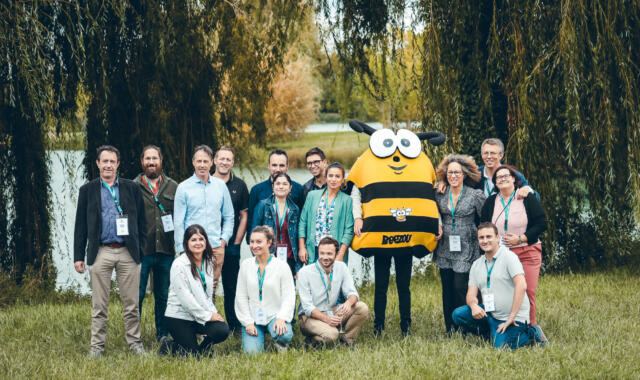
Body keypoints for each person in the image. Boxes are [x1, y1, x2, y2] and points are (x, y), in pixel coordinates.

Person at [73, 145, 146, 357]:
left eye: (112, 161)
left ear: (118, 164)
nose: (108, 165)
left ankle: (135, 344)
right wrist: (79, 256)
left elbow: (142, 221)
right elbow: (80, 226)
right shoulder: (87, 190)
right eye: (104, 161)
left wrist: (140, 250)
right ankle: (97, 347)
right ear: (97, 164)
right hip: (101, 251)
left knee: (131, 304)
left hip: (127, 252)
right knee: (99, 305)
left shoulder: (131, 188)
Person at [452, 222, 547, 349]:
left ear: (498, 238)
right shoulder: (477, 264)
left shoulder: (509, 257)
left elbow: (522, 285)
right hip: (490, 314)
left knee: (501, 348)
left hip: (513, 318)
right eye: (481, 238)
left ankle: (531, 334)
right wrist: (474, 306)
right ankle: (491, 334)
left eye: (489, 236)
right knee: (458, 314)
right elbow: (471, 294)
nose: (485, 241)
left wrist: (511, 317)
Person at [480, 165, 547, 328]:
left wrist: (521, 238)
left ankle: (530, 328)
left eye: (506, 176)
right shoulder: (490, 202)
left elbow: (541, 223)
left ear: (514, 179)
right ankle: (504, 325)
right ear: (495, 183)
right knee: (503, 292)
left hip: (526, 251)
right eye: (498, 177)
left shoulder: (526, 197)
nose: (502, 179)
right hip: (501, 255)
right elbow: (484, 225)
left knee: (526, 291)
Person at [433, 154, 486, 333]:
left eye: (457, 172)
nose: (453, 176)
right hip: (445, 247)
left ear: (464, 174)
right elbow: (431, 211)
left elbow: (484, 220)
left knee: (460, 287)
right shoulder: (440, 193)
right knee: (447, 289)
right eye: (450, 172)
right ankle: (450, 328)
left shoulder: (475, 195)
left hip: (467, 246)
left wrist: (484, 246)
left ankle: (466, 326)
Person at [174, 145, 234, 298]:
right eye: (198, 161)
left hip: (215, 246)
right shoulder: (183, 188)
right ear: (193, 162)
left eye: (205, 161)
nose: (202, 165)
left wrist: (224, 240)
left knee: (211, 288)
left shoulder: (220, 187)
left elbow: (229, 216)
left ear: (211, 163)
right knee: (193, 288)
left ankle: (209, 321)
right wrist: (182, 249)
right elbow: (179, 222)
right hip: (192, 247)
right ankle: (193, 322)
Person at [133, 145, 178, 344]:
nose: (151, 162)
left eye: (155, 158)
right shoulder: (132, 186)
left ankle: (163, 334)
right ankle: (134, 336)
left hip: (166, 251)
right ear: (142, 162)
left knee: (163, 295)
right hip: (141, 252)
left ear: (161, 161)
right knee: (137, 295)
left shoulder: (174, 187)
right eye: (147, 159)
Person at [164, 225, 230, 356]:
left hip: (199, 315)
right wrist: (208, 316)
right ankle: (170, 345)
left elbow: (207, 294)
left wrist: (214, 314)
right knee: (191, 356)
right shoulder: (179, 264)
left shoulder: (209, 261)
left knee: (221, 330)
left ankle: (203, 349)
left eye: (201, 239)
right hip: (179, 316)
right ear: (186, 243)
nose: (198, 243)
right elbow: (186, 299)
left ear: (206, 242)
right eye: (193, 240)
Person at [297, 236, 369, 346]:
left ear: (336, 254)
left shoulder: (342, 267)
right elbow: (307, 307)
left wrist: (348, 303)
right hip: (309, 316)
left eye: (329, 254)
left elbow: (352, 293)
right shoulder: (304, 272)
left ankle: (347, 340)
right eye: (322, 253)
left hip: (331, 310)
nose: (325, 257)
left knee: (362, 307)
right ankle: (312, 340)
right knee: (332, 335)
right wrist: (327, 320)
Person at [235, 226, 296, 354]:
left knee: (284, 335)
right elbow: (241, 297)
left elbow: (289, 296)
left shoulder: (281, 266)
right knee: (252, 354)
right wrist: (248, 323)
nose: (254, 245)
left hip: (274, 315)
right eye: (252, 242)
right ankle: (257, 337)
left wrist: (281, 318)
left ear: (269, 242)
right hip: (253, 317)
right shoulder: (246, 265)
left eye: (259, 242)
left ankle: (280, 343)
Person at [212, 145, 249, 333]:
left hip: (231, 245)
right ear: (214, 160)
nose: (225, 162)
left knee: (232, 287)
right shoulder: (207, 183)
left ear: (233, 163)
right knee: (208, 285)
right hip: (207, 245)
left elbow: (243, 215)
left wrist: (237, 242)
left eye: (229, 159)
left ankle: (234, 326)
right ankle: (207, 323)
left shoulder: (239, 185)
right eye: (221, 158)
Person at [435, 138, 535, 199]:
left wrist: (528, 189)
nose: (489, 156)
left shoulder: (512, 174)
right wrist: (444, 182)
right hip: (482, 226)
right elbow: (456, 181)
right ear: (482, 155)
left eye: (493, 153)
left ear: (501, 155)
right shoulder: (475, 174)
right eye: (486, 153)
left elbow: (535, 197)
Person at [299, 162, 354, 265]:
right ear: (326, 177)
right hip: (314, 249)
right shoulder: (312, 196)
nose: (333, 179)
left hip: (335, 252)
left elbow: (349, 230)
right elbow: (303, 222)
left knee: (333, 280)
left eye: (337, 176)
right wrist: (302, 247)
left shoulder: (347, 200)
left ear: (343, 180)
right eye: (330, 176)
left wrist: (340, 254)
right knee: (313, 280)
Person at [246, 149, 304, 242]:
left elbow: (302, 221)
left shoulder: (298, 189)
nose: (278, 169)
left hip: (291, 247)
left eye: (281, 165)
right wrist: (253, 244)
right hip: (265, 247)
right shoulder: (257, 190)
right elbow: (251, 222)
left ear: (287, 167)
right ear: (268, 166)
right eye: (274, 165)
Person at [251, 173, 301, 275]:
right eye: (278, 184)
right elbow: (254, 234)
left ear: (290, 187)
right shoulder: (263, 205)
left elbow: (297, 237)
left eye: (284, 184)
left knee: (287, 290)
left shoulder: (295, 209)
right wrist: (257, 259)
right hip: (268, 256)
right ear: (273, 187)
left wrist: (298, 266)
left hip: (289, 258)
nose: (281, 186)